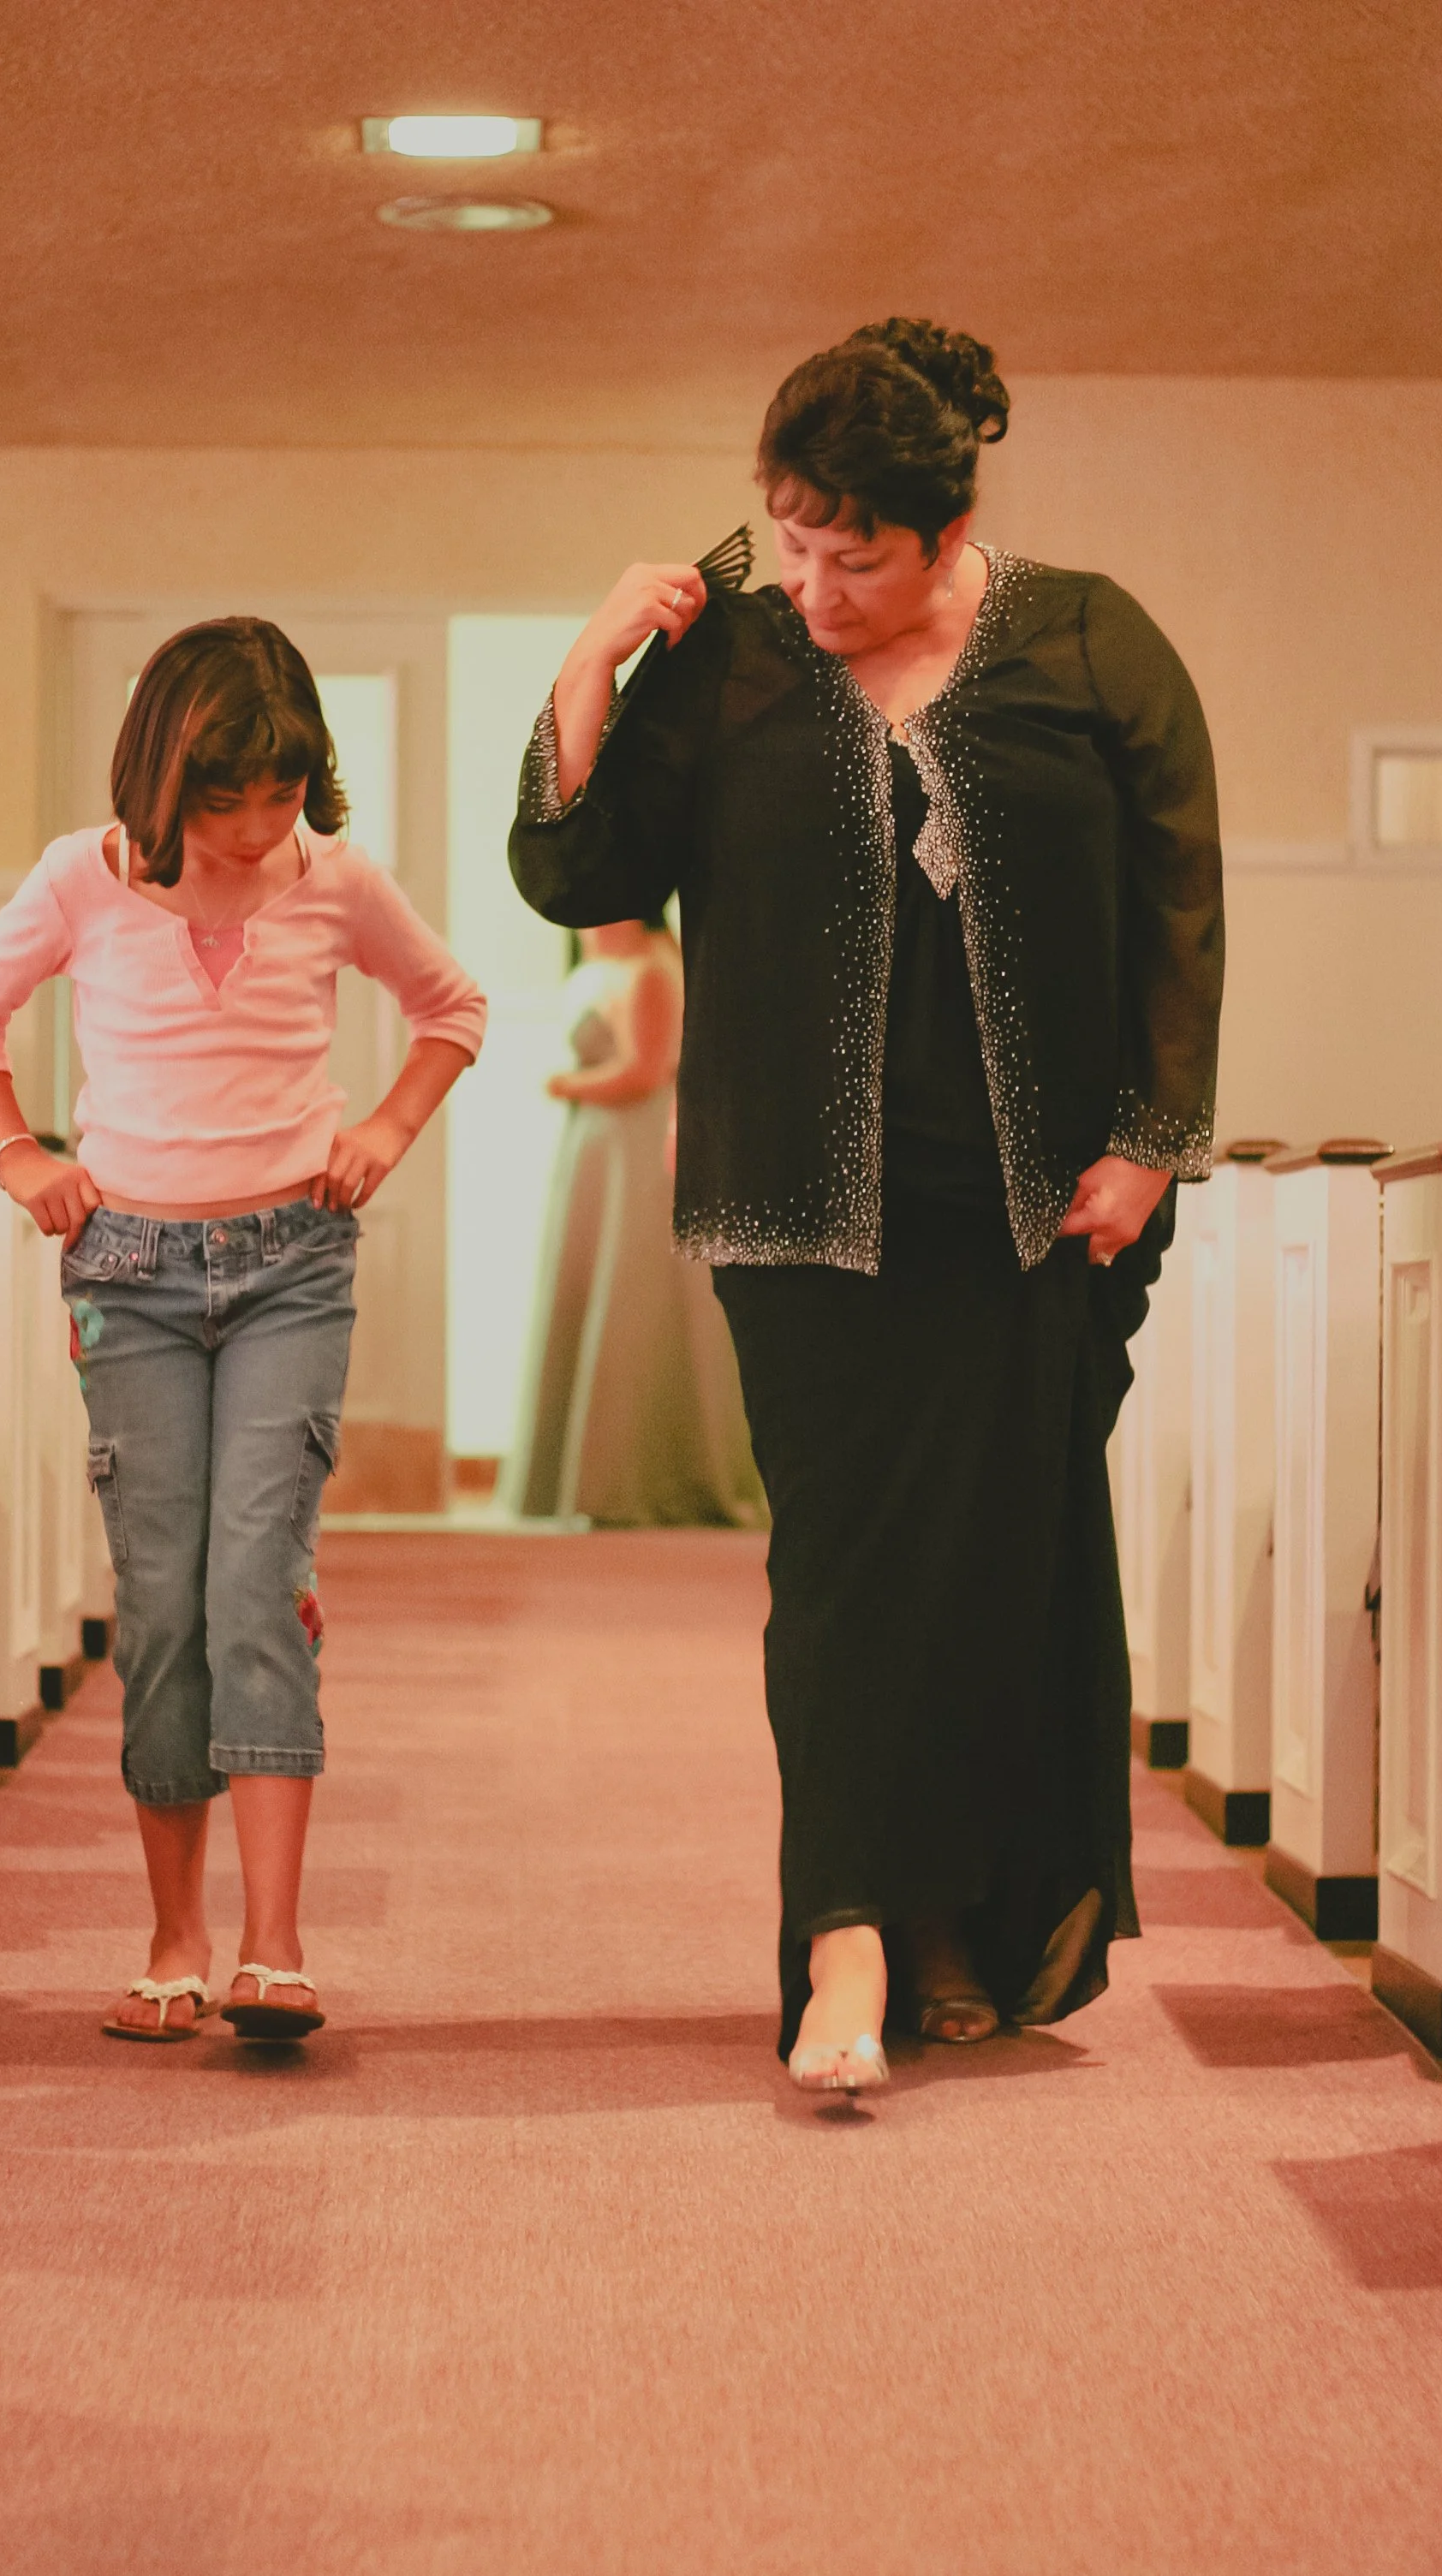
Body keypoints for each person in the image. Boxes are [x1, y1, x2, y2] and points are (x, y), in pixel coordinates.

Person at [509, 319, 1223, 2095]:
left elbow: (1178, 904)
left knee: (994, 1565)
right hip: (794, 1209)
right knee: (835, 1570)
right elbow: (574, 869)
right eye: (792, 538)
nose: (814, 584)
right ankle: (838, 1941)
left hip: (1027, 1206)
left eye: (857, 555)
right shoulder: (727, 654)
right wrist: (593, 661)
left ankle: (958, 1924)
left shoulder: (1086, 638)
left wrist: (1150, 1134)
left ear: (944, 524)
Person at [0, 617, 485, 2044]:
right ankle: (173, 1937)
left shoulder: (336, 879)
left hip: (293, 1259)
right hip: (127, 1270)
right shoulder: (81, 878)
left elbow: (451, 1004)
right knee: (164, 1597)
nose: (251, 829)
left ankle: (274, 1944)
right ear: (161, 782)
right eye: (223, 799)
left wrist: (386, 1126)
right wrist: (17, 1154)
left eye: (280, 795)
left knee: (259, 1576)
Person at [500, 914, 765, 1527]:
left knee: (633, 1309)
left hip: (635, 1152)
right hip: (597, 1153)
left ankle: (647, 1478)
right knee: (591, 1301)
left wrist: (565, 1084)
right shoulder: (595, 956)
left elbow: (646, 1070)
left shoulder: (652, 967)